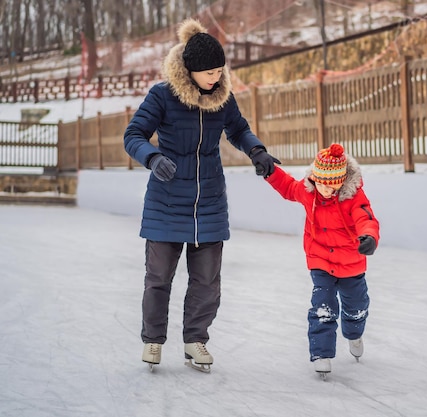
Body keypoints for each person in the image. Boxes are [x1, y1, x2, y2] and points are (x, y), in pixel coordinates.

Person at [123, 18, 280, 372]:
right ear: (190, 70)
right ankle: (153, 340)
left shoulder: (222, 98)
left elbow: (239, 129)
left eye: (220, 71)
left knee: (207, 281)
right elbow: (133, 135)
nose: (216, 77)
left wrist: (257, 151)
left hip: (208, 201)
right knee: (159, 278)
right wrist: (153, 157)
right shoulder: (162, 95)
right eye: (209, 72)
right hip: (165, 202)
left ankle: (195, 341)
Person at [264, 143, 380, 377]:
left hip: (350, 263)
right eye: (322, 184)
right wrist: (270, 171)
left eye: (332, 184)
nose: (326, 190)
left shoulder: (353, 196)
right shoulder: (309, 192)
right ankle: (322, 353)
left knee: (356, 307)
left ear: (341, 180)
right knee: (322, 306)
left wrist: (369, 236)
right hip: (320, 261)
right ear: (315, 179)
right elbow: (287, 187)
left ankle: (354, 333)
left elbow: (365, 217)